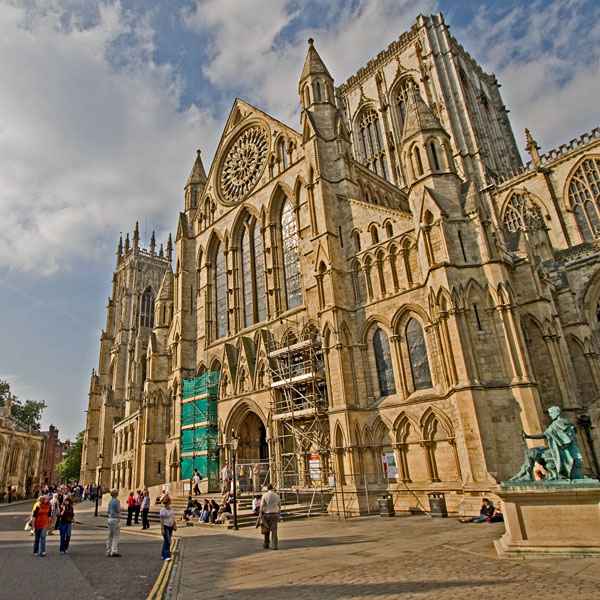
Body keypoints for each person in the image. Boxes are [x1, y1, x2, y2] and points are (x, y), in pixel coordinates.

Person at [260, 483, 281, 550]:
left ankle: (266, 544)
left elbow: (262, 505)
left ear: (267, 488)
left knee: (266, 529)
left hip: (267, 514)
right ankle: (275, 545)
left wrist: (260, 514)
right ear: (272, 488)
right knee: (274, 530)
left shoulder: (265, 495)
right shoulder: (277, 495)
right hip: (275, 514)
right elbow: (279, 505)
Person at [159, 495, 177, 562]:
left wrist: (174, 525)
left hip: (170, 526)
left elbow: (173, 517)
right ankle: (167, 556)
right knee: (168, 541)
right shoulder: (163, 510)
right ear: (167, 501)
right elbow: (162, 520)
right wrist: (162, 529)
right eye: (170, 500)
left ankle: (163, 554)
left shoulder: (171, 509)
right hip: (166, 526)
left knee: (166, 541)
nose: (171, 501)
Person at [107, 489, 122, 557]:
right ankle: (114, 551)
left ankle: (108, 551)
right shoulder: (117, 501)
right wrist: (122, 509)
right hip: (115, 519)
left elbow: (108, 511)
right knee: (116, 536)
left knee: (110, 536)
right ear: (116, 494)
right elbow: (118, 510)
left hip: (109, 519)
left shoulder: (110, 502)